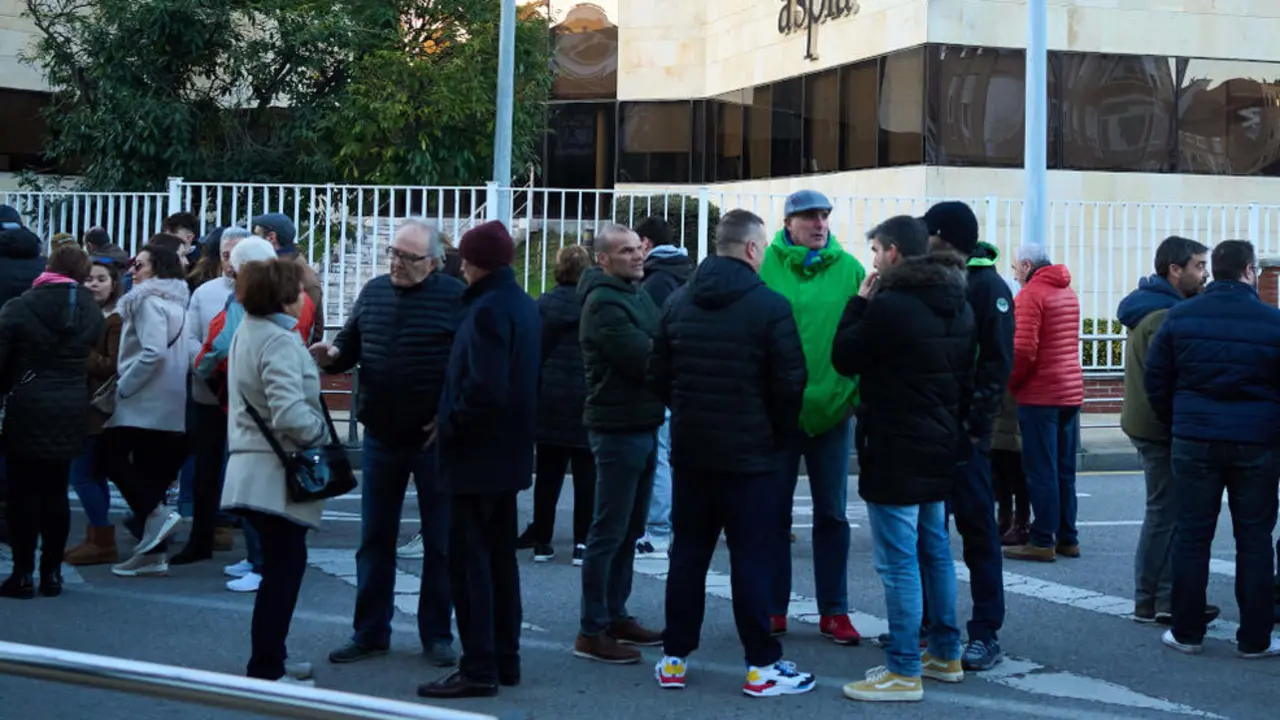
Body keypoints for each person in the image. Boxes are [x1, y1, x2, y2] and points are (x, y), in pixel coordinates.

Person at [649, 209, 814, 697]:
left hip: (693, 452)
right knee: (751, 558)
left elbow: (656, 373)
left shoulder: (679, 302)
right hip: (751, 457)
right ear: (750, 249)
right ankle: (761, 665)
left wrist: (687, 411)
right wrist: (777, 435)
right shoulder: (770, 306)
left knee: (689, 555)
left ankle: (674, 658)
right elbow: (790, 383)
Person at [832, 216, 973, 702]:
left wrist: (858, 303)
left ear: (892, 252)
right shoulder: (957, 300)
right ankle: (945, 652)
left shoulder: (890, 306)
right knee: (934, 550)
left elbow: (845, 356)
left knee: (898, 563)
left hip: (895, 445)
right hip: (938, 442)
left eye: (874, 250)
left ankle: (904, 669)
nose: (871, 260)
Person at [314, 220, 463, 668]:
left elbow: (470, 364)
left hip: (432, 440)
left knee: (440, 543)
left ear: (433, 263)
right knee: (374, 539)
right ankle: (369, 632)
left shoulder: (455, 298)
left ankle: (437, 635)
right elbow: (350, 345)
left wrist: (449, 411)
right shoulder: (375, 291)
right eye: (393, 253)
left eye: (407, 257)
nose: (396, 262)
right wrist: (334, 355)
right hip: (380, 434)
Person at [418, 220, 540, 699]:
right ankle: (503, 660)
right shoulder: (521, 304)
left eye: (465, 257)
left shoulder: (486, 309)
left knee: (472, 568)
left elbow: (484, 388)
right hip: (506, 455)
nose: (460, 264)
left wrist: (449, 425)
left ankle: (479, 667)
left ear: (474, 261)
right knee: (499, 562)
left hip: (477, 459)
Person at [1145, 240, 1280, 659]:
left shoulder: (1180, 317)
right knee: (1255, 538)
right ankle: (1255, 639)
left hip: (1195, 438)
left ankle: (1187, 632)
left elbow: (1157, 380)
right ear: (1249, 271)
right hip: (1257, 441)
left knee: (1192, 535)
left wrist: (1179, 420)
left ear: (1214, 271)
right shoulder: (1273, 321)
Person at [760, 189, 865, 644]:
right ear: (788, 223)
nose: (819, 224)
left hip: (833, 409)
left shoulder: (851, 269)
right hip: (778, 413)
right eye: (808, 217)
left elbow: (865, 332)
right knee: (773, 516)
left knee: (832, 516)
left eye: (824, 215)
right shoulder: (764, 267)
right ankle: (773, 607)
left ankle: (834, 610)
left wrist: (854, 394)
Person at [221, 258, 329, 683]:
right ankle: (266, 667)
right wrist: (320, 430)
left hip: (252, 469)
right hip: (276, 476)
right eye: (299, 289)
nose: (304, 295)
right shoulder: (281, 341)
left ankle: (272, 658)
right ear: (285, 295)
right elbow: (289, 414)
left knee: (277, 574)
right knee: (282, 578)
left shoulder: (248, 330)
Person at [921, 201, 1014, 671]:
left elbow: (996, 365)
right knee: (926, 533)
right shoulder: (928, 278)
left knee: (978, 532)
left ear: (944, 236)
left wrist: (976, 429)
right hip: (928, 431)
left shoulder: (987, 287)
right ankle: (930, 623)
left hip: (963, 437)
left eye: (928, 232)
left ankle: (985, 630)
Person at [193, 236, 312, 593]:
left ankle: (259, 563)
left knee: (262, 505)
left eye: (232, 260)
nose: (227, 265)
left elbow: (214, 351)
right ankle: (259, 562)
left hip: (251, 417)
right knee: (278, 518)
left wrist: (316, 430)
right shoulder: (286, 312)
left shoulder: (249, 315)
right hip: (271, 426)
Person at [574, 223, 666, 664]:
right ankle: (592, 630)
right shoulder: (603, 303)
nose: (637, 256)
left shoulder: (635, 293)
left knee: (630, 529)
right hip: (617, 428)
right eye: (626, 251)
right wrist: (663, 350)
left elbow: (660, 341)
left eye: (638, 248)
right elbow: (645, 357)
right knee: (608, 532)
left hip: (643, 423)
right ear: (603, 260)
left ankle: (616, 614)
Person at [1116, 236, 1212, 625]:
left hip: (1150, 422)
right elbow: (1169, 379)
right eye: (1198, 266)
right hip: (1158, 426)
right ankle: (1154, 598)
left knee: (1166, 510)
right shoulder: (1163, 316)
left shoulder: (1157, 307)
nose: (1204, 275)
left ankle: (1161, 596)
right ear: (1175, 269)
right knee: (1164, 512)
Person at [0, 246, 105, 599]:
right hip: (72, 405)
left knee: (22, 494)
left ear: (49, 268)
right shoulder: (90, 311)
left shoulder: (20, 306)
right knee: (56, 491)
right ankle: (52, 573)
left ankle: (22, 573)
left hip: (27, 404)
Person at [103, 242, 192, 577]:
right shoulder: (178, 305)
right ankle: (152, 554)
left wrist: (125, 386)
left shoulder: (147, 302)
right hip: (169, 401)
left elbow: (153, 352)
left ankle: (157, 517)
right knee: (149, 475)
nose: (132, 270)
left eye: (139, 265)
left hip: (142, 399)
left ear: (157, 269)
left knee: (110, 458)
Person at [169, 227, 251, 565]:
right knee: (205, 466)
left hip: (248, 394)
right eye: (225, 255)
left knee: (247, 465)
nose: (230, 263)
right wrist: (202, 364)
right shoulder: (205, 292)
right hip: (208, 390)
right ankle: (200, 537)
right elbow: (191, 335)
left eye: (237, 255)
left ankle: (247, 538)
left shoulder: (269, 292)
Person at [1003, 244, 1084, 563]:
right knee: (1065, 469)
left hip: (1040, 395)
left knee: (1041, 469)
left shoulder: (1030, 296)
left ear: (1026, 265)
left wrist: (1011, 383)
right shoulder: (1068, 292)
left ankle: (1042, 540)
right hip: (1070, 391)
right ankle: (1068, 537)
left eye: (1015, 268)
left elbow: (1023, 351)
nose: (1015, 274)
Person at [516, 244, 595, 564]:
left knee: (548, 475)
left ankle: (542, 541)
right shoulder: (592, 304)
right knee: (586, 476)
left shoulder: (544, 304)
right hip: (586, 396)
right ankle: (581, 543)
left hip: (549, 397)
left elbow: (533, 350)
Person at [634, 215, 690, 559]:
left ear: (647, 243)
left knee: (659, 458)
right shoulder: (684, 272)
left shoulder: (655, 281)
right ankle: (661, 526)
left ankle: (657, 530)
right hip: (682, 378)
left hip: (663, 380)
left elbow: (650, 333)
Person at [64, 257, 125, 566]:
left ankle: (102, 538)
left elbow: (111, 366)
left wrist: (79, 352)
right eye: (88, 279)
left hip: (97, 408)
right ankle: (96, 537)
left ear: (114, 284)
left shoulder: (113, 320)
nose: (94, 284)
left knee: (83, 475)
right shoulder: (83, 314)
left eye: (101, 279)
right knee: (92, 474)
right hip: (82, 404)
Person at [252, 213, 325, 344]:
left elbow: (304, 329)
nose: (252, 240)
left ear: (271, 238)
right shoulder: (277, 268)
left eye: (257, 235)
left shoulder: (300, 277)